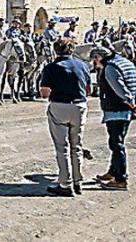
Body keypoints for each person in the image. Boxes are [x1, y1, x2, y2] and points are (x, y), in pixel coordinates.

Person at [90, 46, 136, 191]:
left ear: (100, 57)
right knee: (115, 141)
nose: (94, 62)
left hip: (117, 110)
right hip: (125, 110)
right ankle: (113, 172)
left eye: (94, 59)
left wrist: (132, 105)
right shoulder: (126, 63)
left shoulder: (110, 68)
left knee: (116, 144)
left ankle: (121, 179)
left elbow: (120, 89)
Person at [39, 38, 90, 197]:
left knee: (62, 147)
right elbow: (88, 89)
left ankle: (65, 183)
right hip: (79, 106)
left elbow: (44, 93)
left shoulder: (51, 68)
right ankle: (78, 181)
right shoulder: (83, 65)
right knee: (77, 146)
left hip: (60, 106)